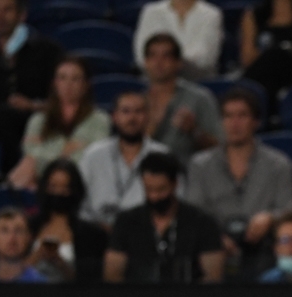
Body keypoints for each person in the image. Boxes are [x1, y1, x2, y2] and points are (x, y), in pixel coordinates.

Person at [185, 87, 292, 279]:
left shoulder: (278, 164)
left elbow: (288, 210)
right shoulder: (200, 165)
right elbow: (193, 213)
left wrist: (270, 218)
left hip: (263, 245)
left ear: (256, 121)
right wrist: (214, 237)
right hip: (214, 248)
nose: (234, 123)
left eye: (242, 116)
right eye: (228, 116)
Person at [0, 0, 64, 172]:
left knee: (4, 118)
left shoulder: (47, 52)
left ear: (22, 15)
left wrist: (32, 105)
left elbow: (63, 100)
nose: (0, 16)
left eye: (7, 10)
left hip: (39, 119)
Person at [105, 152, 225, 283]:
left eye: (161, 189)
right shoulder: (126, 222)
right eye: (149, 189)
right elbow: (113, 275)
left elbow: (213, 277)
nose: (154, 197)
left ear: (175, 184)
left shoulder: (202, 222)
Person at [7, 57, 111, 190]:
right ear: (55, 83)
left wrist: (48, 156)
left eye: (75, 79)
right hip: (41, 181)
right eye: (62, 78)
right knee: (28, 165)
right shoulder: (38, 120)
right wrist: (65, 151)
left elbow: (92, 159)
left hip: (82, 181)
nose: (68, 84)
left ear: (85, 85)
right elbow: (30, 153)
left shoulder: (100, 120)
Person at [80, 91, 170, 229]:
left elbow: (173, 202)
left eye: (138, 111)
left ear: (147, 117)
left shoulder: (162, 155)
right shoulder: (93, 155)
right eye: (125, 111)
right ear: (114, 117)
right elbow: (79, 200)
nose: (132, 118)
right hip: (95, 232)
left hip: (147, 232)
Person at [142, 34, 222, 169]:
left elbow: (221, 148)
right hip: (147, 178)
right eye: (153, 56)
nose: (158, 62)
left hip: (189, 175)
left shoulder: (200, 98)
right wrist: (151, 126)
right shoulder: (137, 103)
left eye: (166, 56)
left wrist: (194, 131)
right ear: (145, 63)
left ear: (178, 63)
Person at [28, 159, 108, 283]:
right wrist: (36, 256)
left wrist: (60, 264)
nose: (59, 193)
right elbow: (11, 272)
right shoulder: (28, 227)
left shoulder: (91, 235)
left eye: (65, 188)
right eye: (53, 187)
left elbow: (91, 281)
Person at [240, 0, 292, 107]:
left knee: (279, 57)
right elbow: (247, 59)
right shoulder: (255, 14)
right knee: (272, 58)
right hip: (263, 70)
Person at [132, 0, 223, 79]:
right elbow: (141, 56)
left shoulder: (211, 14)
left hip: (198, 81)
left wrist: (167, 61)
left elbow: (205, 60)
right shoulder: (151, 12)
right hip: (154, 81)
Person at [0, 207, 46, 282]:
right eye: (4, 230)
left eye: (19, 230)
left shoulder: (42, 285)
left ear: (29, 237)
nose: (12, 238)